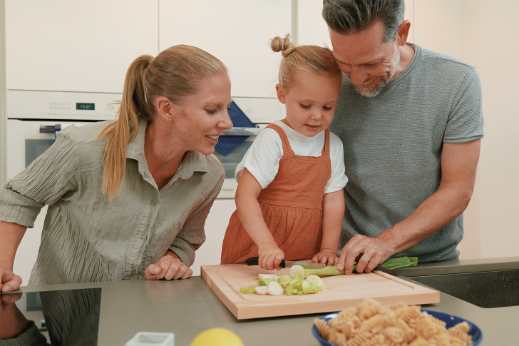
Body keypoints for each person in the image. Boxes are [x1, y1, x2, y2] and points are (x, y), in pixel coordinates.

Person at [0, 45, 233, 292]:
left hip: (144, 308)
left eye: (227, 107)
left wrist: (173, 260)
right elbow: (19, 197)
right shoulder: (84, 148)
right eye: (211, 110)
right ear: (166, 109)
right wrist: (3, 267)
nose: (227, 122)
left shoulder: (210, 175)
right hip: (67, 312)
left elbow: (186, 240)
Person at [321, 0, 484, 274]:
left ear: (402, 34)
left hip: (431, 266)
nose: (357, 79)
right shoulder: (324, 79)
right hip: (347, 265)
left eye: (370, 63)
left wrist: (386, 242)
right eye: (344, 64)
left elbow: (457, 190)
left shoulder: (457, 80)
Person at [220, 35, 348, 270]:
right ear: (282, 94)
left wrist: (328, 249)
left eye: (328, 107)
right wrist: (266, 244)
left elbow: (333, 201)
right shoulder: (273, 138)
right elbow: (245, 195)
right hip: (256, 250)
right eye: (306, 106)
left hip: (304, 254)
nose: (317, 116)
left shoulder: (334, 145)